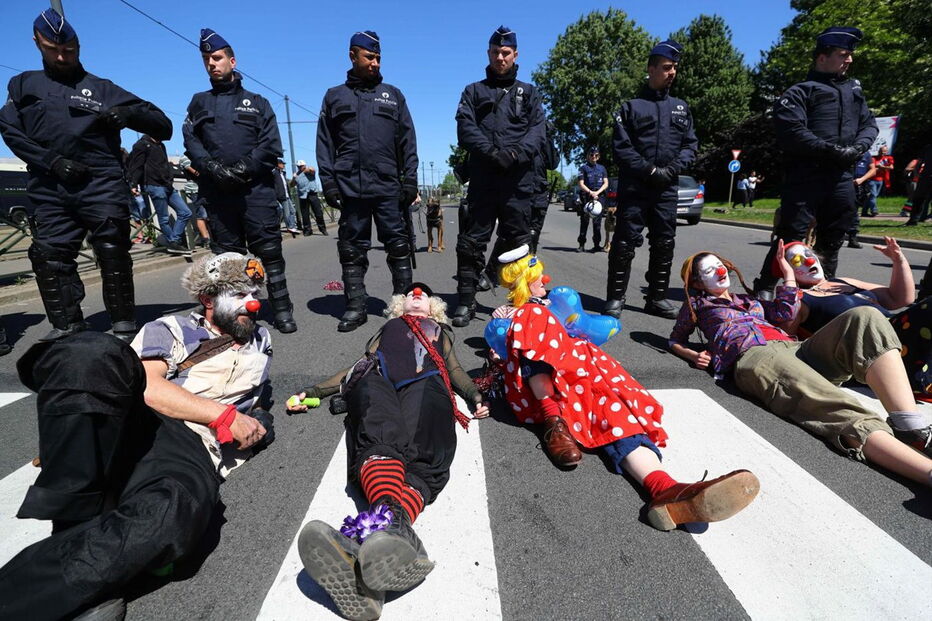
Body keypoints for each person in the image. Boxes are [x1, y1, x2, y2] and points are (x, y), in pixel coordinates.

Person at [0, 252, 275, 620]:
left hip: (189, 446)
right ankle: (73, 530)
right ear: (208, 299)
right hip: (143, 421)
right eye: (239, 294)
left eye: (254, 292)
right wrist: (222, 414)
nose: (252, 303)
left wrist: (256, 419)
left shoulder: (262, 340)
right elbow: (147, 387)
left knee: (170, 512)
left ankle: (73, 576)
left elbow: (251, 401)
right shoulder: (172, 329)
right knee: (90, 351)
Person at [489, 247, 759, 531]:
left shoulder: (549, 306)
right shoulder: (524, 314)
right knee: (609, 414)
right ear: (523, 281)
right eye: (537, 277)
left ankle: (666, 490)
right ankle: (554, 425)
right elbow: (533, 362)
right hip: (561, 386)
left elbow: (582, 326)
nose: (545, 279)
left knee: (621, 419)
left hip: (588, 377)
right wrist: (551, 413)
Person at [287, 283, 487, 620]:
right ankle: (395, 532)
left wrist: (475, 394)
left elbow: (453, 369)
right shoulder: (390, 327)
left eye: (423, 294)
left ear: (433, 308)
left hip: (427, 380)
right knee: (374, 417)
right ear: (400, 305)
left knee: (426, 433)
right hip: (379, 378)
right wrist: (313, 391)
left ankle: (364, 553)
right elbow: (357, 366)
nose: (417, 294)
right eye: (411, 293)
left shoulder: (440, 330)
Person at [670, 247, 932, 488]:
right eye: (708, 271)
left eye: (720, 265)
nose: (719, 271)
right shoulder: (698, 305)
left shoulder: (749, 300)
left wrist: (788, 274)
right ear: (696, 283)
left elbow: (785, 314)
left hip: (793, 347)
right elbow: (675, 339)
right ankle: (926, 472)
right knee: (833, 402)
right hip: (754, 356)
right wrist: (693, 354)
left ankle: (910, 426)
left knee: (865, 317)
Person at [0, 9, 172, 342]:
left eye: (70, 50)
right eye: (54, 50)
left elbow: (162, 125)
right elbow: (10, 130)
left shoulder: (102, 88)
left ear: (79, 46)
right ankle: (67, 326)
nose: (63, 57)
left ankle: (123, 324)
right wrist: (50, 162)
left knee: (112, 249)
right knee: (48, 254)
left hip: (100, 182)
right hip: (50, 184)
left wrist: (128, 113)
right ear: (37, 43)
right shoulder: (23, 84)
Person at [183, 28, 297, 334]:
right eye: (207, 59)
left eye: (217, 58)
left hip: (255, 191)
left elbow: (271, 144)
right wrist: (211, 167)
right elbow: (191, 141)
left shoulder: (257, 103)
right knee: (228, 260)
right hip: (219, 194)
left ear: (232, 61)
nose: (212, 63)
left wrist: (244, 168)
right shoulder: (198, 103)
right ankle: (233, 314)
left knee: (270, 252)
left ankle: (283, 309)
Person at [752, 27, 878, 294]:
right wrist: (830, 150)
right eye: (844, 54)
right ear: (823, 57)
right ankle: (766, 285)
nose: (850, 60)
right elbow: (793, 132)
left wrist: (857, 148)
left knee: (834, 236)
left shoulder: (854, 91)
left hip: (841, 177)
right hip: (806, 176)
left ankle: (821, 286)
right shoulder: (800, 92)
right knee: (791, 237)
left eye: (850, 55)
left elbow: (869, 125)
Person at [317, 30, 419, 333]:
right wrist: (329, 182)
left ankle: (405, 309)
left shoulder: (393, 94)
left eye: (378, 58)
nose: (374, 63)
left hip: (388, 186)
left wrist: (410, 179)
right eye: (369, 57)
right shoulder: (335, 96)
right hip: (350, 187)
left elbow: (408, 141)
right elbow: (325, 143)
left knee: (399, 247)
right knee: (351, 249)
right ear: (353, 56)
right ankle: (355, 307)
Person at [451, 25, 546, 327]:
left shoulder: (530, 93)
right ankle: (466, 302)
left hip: (518, 182)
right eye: (495, 52)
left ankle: (520, 307)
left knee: (520, 244)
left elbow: (538, 132)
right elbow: (466, 129)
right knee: (471, 243)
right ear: (489, 53)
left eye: (506, 53)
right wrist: (492, 153)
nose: (500, 57)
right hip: (483, 179)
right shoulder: (473, 91)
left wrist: (515, 154)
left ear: (515, 54)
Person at [604, 39, 698, 320]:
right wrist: (649, 170)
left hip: (667, 188)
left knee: (664, 242)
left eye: (675, 68)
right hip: (637, 186)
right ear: (651, 68)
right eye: (667, 67)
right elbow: (621, 148)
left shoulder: (681, 108)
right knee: (623, 243)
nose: (672, 73)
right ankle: (615, 298)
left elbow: (691, 145)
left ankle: (656, 297)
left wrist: (669, 171)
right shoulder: (631, 107)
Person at [773, 239, 932, 405]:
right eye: (797, 260)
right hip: (874, 347)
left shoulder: (842, 281)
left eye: (808, 254)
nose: (809, 261)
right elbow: (785, 342)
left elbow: (900, 298)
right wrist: (789, 279)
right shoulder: (799, 300)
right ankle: (915, 378)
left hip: (899, 332)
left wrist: (898, 260)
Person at [127, 133, 192, 254]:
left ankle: (174, 241)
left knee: (185, 212)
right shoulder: (142, 145)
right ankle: (174, 243)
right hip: (153, 185)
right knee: (164, 218)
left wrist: (170, 178)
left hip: (167, 185)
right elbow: (136, 166)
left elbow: (165, 164)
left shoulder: (161, 145)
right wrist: (133, 184)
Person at [530, 120, 560, 254]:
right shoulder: (525, 130)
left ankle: (529, 265)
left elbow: (552, 163)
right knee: (515, 232)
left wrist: (548, 138)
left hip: (537, 190)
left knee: (534, 230)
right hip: (522, 189)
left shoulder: (544, 141)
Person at [577, 146, 608, 252]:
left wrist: (597, 193)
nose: (594, 157)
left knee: (597, 222)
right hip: (587, 196)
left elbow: (606, 183)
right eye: (591, 155)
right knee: (584, 221)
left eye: (596, 155)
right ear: (588, 156)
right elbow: (581, 184)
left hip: (599, 197)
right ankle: (581, 244)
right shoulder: (583, 168)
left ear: (598, 156)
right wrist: (591, 193)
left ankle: (596, 244)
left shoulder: (602, 168)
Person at [179, 154, 212, 247]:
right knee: (201, 214)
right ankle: (206, 239)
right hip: (194, 189)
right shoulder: (185, 158)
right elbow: (195, 172)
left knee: (208, 214)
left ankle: (210, 237)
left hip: (205, 189)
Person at [846, 151, 876, 248]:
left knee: (854, 211)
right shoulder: (847, 150)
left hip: (858, 186)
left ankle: (852, 237)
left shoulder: (866, 154)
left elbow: (873, 170)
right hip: (844, 185)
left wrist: (862, 179)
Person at [292, 159, 327, 236]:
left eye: (302, 166)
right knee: (305, 215)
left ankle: (322, 229)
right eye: (300, 166)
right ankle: (307, 230)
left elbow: (312, 169)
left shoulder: (309, 171)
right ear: (298, 167)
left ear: (305, 165)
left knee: (318, 213)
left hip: (312, 194)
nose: (301, 167)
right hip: (302, 196)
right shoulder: (297, 175)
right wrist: (294, 177)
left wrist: (303, 171)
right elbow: (292, 184)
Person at [904, 143, 932, 226]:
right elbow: (919, 161)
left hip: (926, 176)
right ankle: (913, 220)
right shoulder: (928, 147)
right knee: (918, 198)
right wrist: (917, 174)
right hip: (926, 176)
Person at [864, 145, 894, 217]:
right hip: (872, 180)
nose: (882, 153)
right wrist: (885, 167)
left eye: (884, 151)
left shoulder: (889, 158)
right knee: (873, 195)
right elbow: (874, 167)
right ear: (878, 151)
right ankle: (874, 210)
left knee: (872, 196)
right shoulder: (874, 158)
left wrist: (880, 167)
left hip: (881, 180)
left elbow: (891, 167)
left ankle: (864, 211)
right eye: (881, 151)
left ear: (887, 151)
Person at [274, 159, 299, 235]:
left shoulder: (283, 173)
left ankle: (292, 226)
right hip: (281, 196)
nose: (284, 165)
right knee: (286, 213)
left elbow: (286, 185)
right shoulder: (275, 173)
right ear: (278, 164)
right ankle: (289, 227)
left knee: (293, 211)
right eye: (282, 164)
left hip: (287, 195)